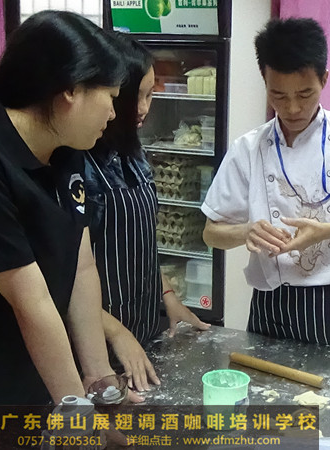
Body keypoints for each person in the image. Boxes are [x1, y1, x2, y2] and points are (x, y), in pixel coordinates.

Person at [0, 11, 129, 405]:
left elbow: (80, 266)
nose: (113, 114)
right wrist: (78, 415)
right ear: (71, 90)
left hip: (26, 379)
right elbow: (32, 302)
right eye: (111, 98)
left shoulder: (65, 151)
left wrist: (100, 382)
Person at [201, 18, 330, 351]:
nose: (292, 108)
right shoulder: (248, 148)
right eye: (278, 95)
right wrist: (246, 231)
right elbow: (212, 233)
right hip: (271, 305)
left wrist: (326, 231)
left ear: (324, 79)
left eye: (304, 93)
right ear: (265, 81)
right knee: (266, 385)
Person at [84, 35, 210, 392]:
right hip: (97, 345)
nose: (142, 108)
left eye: (150, 95)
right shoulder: (77, 164)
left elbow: (139, 243)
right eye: (132, 97)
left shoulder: (134, 154)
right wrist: (116, 332)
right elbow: (62, 280)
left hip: (142, 331)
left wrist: (167, 294)